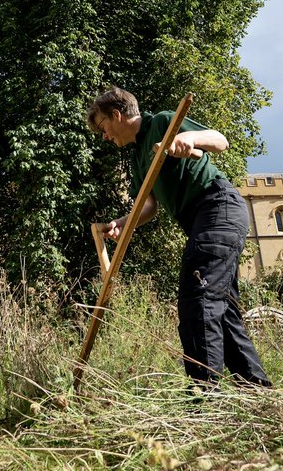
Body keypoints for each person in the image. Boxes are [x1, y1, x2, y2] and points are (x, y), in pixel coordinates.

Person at [87, 87, 271, 388]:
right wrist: (123, 223)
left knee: (197, 298)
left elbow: (220, 141)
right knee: (221, 306)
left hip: (218, 207)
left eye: (103, 127)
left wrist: (189, 138)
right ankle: (255, 389)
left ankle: (204, 394)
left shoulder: (162, 122)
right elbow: (148, 205)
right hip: (200, 220)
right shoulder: (137, 157)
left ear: (117, 115)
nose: (105, 136)